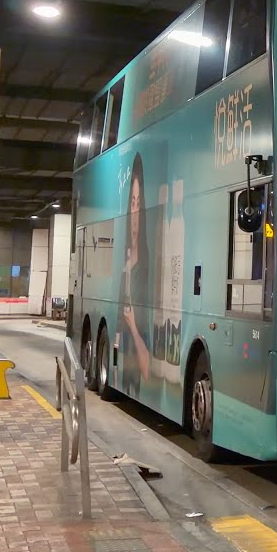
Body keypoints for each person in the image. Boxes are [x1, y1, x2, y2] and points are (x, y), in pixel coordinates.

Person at [120, 153, 152, 397]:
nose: (135, 209)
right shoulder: (124, 262)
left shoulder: (147, 266)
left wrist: (132, 326)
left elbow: (147, 372)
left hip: (136, 378)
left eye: (139, 203)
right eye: (132, 202)